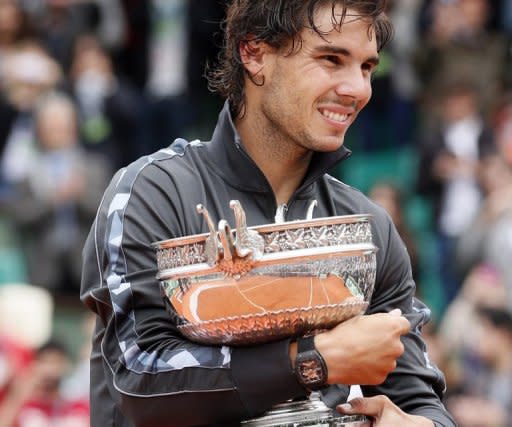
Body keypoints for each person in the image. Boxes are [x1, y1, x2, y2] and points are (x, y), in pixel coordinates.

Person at [80, 1, 456, 426]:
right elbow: (139, 382)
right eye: (331, 59)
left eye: (367, 67)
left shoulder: (368, 227)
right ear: (255, 54)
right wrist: (314, 362)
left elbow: (422, 404)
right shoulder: (153, 192)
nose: (357, 89)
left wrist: (412, 423)